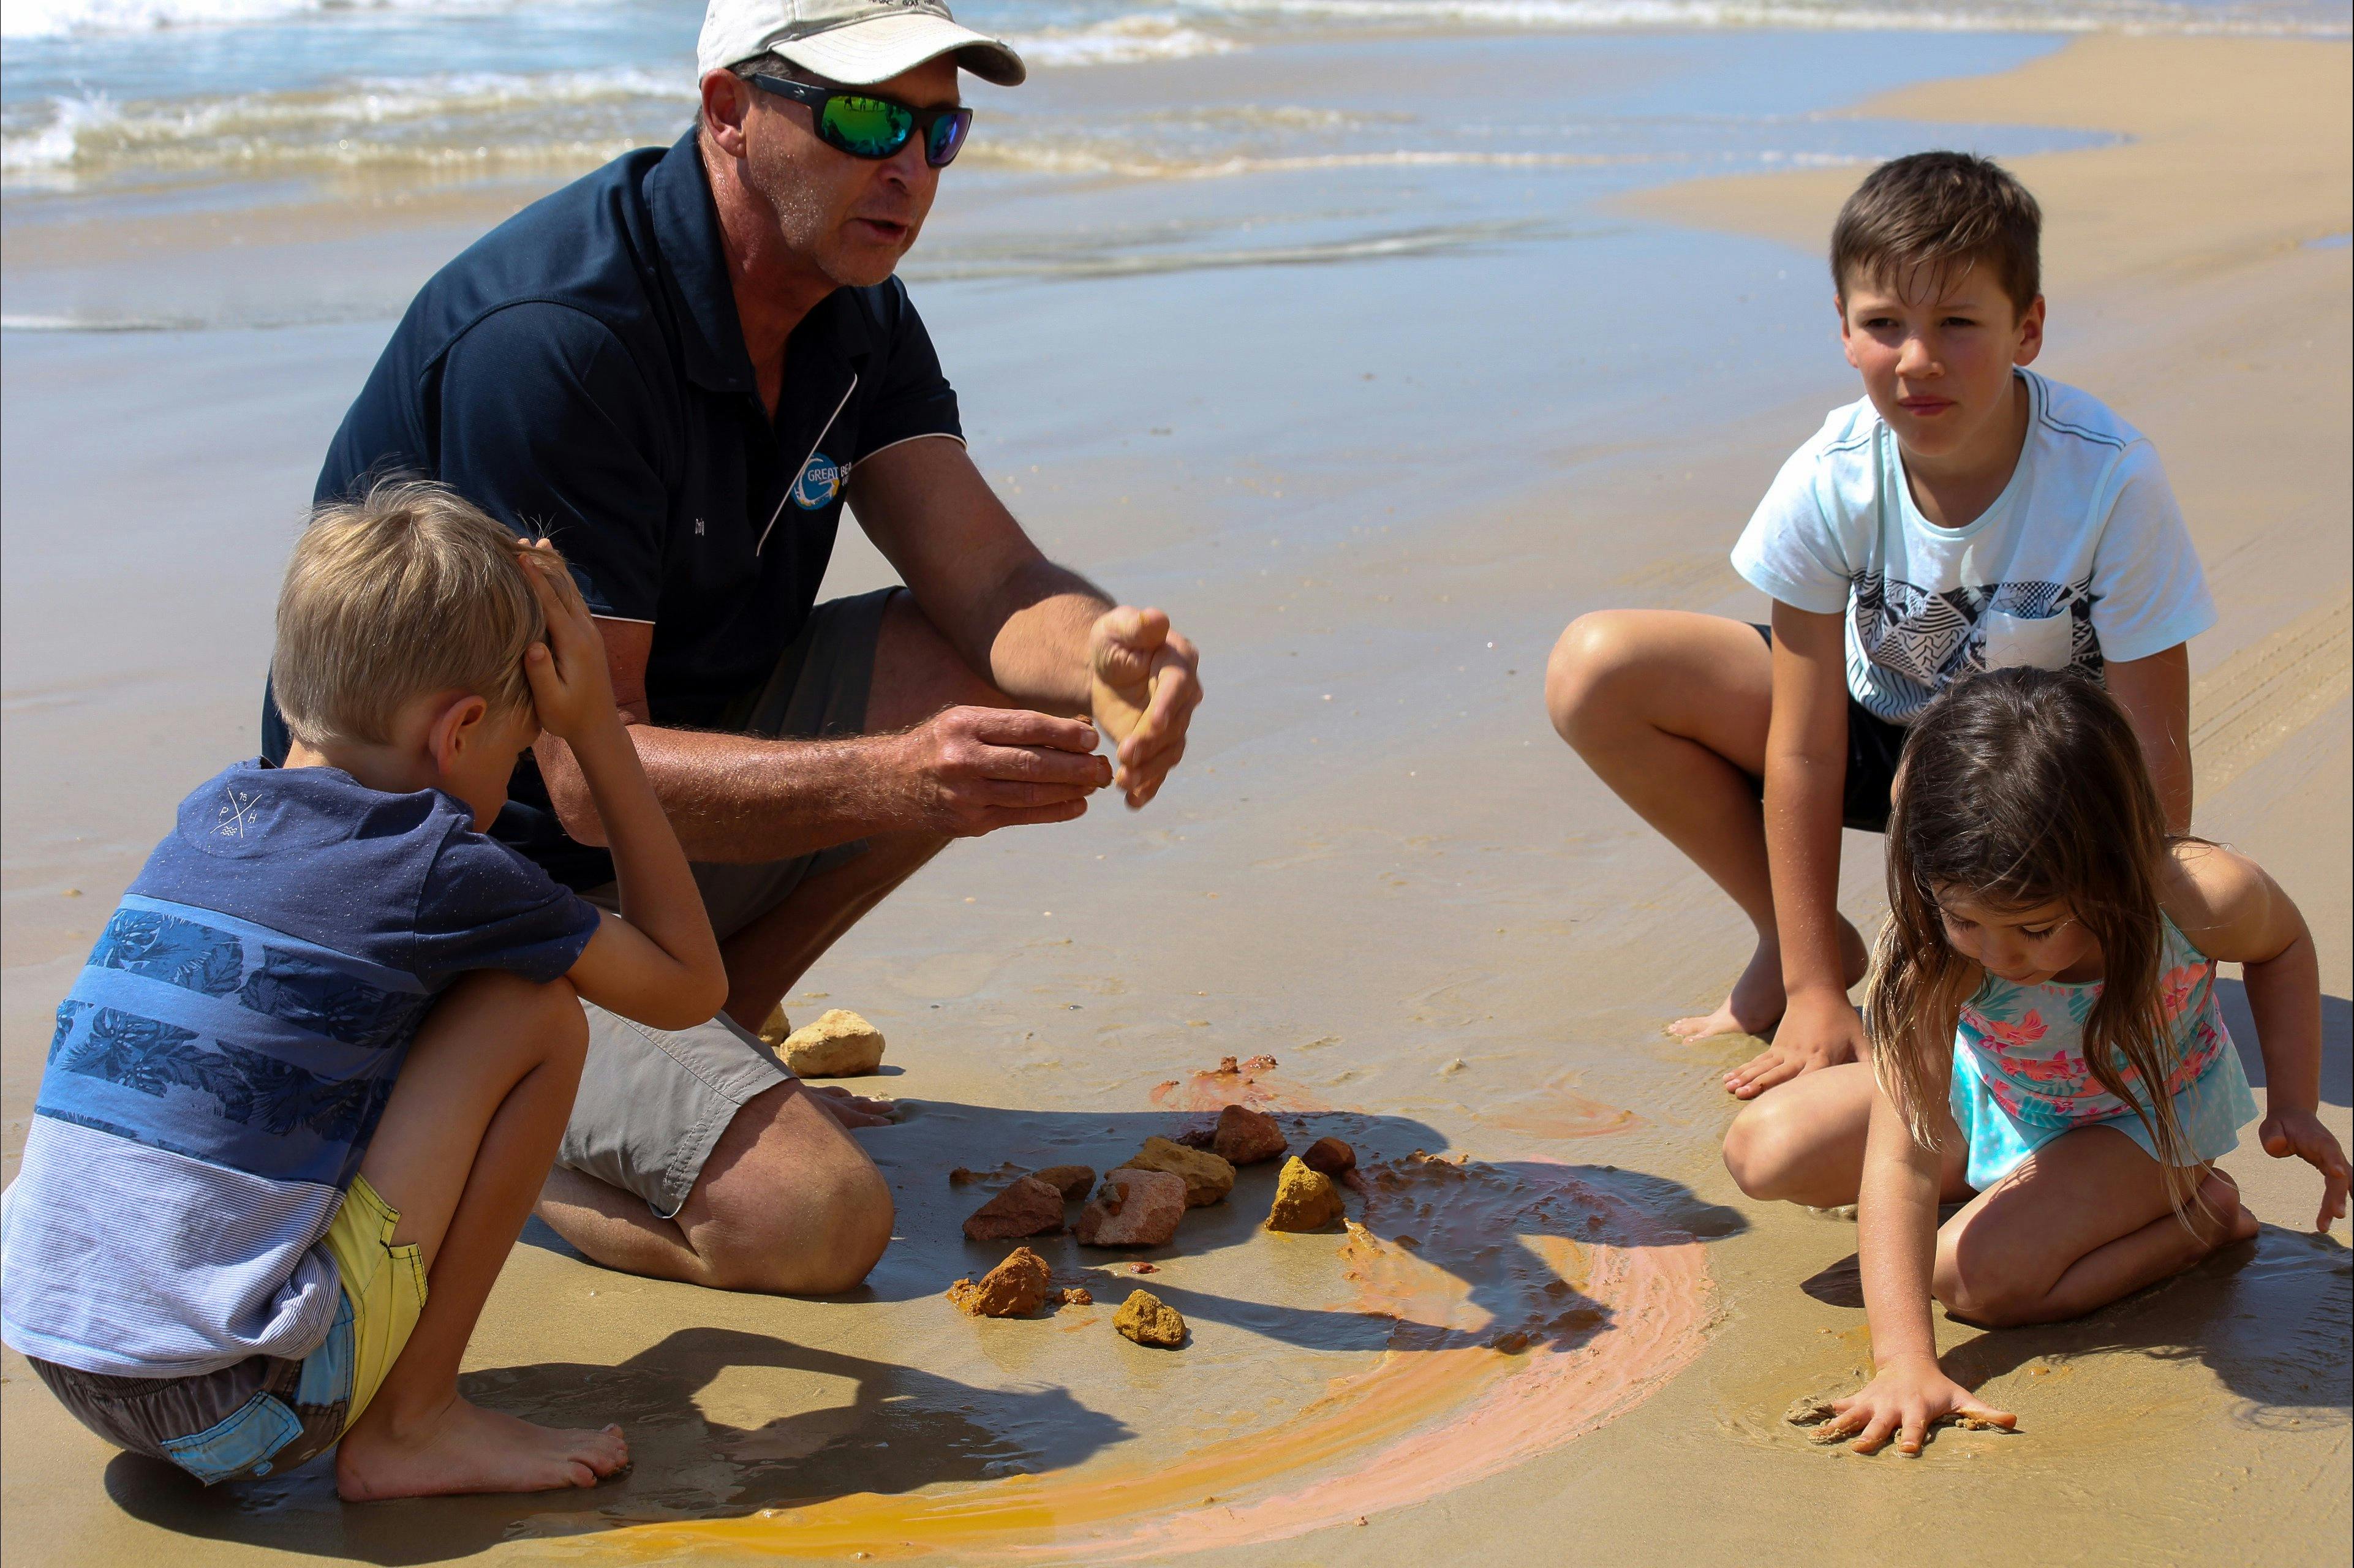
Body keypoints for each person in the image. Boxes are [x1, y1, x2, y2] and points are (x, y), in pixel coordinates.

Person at [273, 0, 1204, 1296]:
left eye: (940, 129)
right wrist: (898, 779)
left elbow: (992, 583)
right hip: (449, 896)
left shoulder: (849, 303)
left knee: (974, 671)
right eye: (869, 116)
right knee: (815, 1222)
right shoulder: (563, 342)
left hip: (626, 852)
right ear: (727, 110)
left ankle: (717, 1031)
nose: (907, 168)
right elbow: (580, 781)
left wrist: (1105, 650)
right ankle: (475, 1118)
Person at [4, 481, 726, 1499]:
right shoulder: (432, 863)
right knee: (534, 1013)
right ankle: (412, 1426)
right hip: (242, 1407)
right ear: (460, 731)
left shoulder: (213, 817)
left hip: (66, 1359)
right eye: (520, 755)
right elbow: (688, 983)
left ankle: (343, 1372)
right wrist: (596, 731)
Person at [1544, 151, 2213, 1099]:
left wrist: (2130, 945)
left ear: (2026, 329)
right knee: (1595, 669)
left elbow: (2152, 746)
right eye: (1883, 325)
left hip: (2038, 777)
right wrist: (1815, 985)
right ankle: (1789, 941)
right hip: (1875, 727)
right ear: (1842, 330)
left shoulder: (2107, 480)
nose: (1917, 360)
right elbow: (1804, 748)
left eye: (1956, 324)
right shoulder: (1829, 476)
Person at [1724, 669, 2349, 1456]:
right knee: (1763, 1147)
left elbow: (2284, 944)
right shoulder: (1939, 959)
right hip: (1999, 1097)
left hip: (2143, 1122)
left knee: (1970, 1280)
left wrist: (2295, 1102)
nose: (2002, 954)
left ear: (2112, 864)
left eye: (2039, 928)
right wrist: (1904, 1361)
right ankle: (2016, 1188)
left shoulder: (2196, 897)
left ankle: (2204, 1217)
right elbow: (1902, 1157)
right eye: (1966, 920)